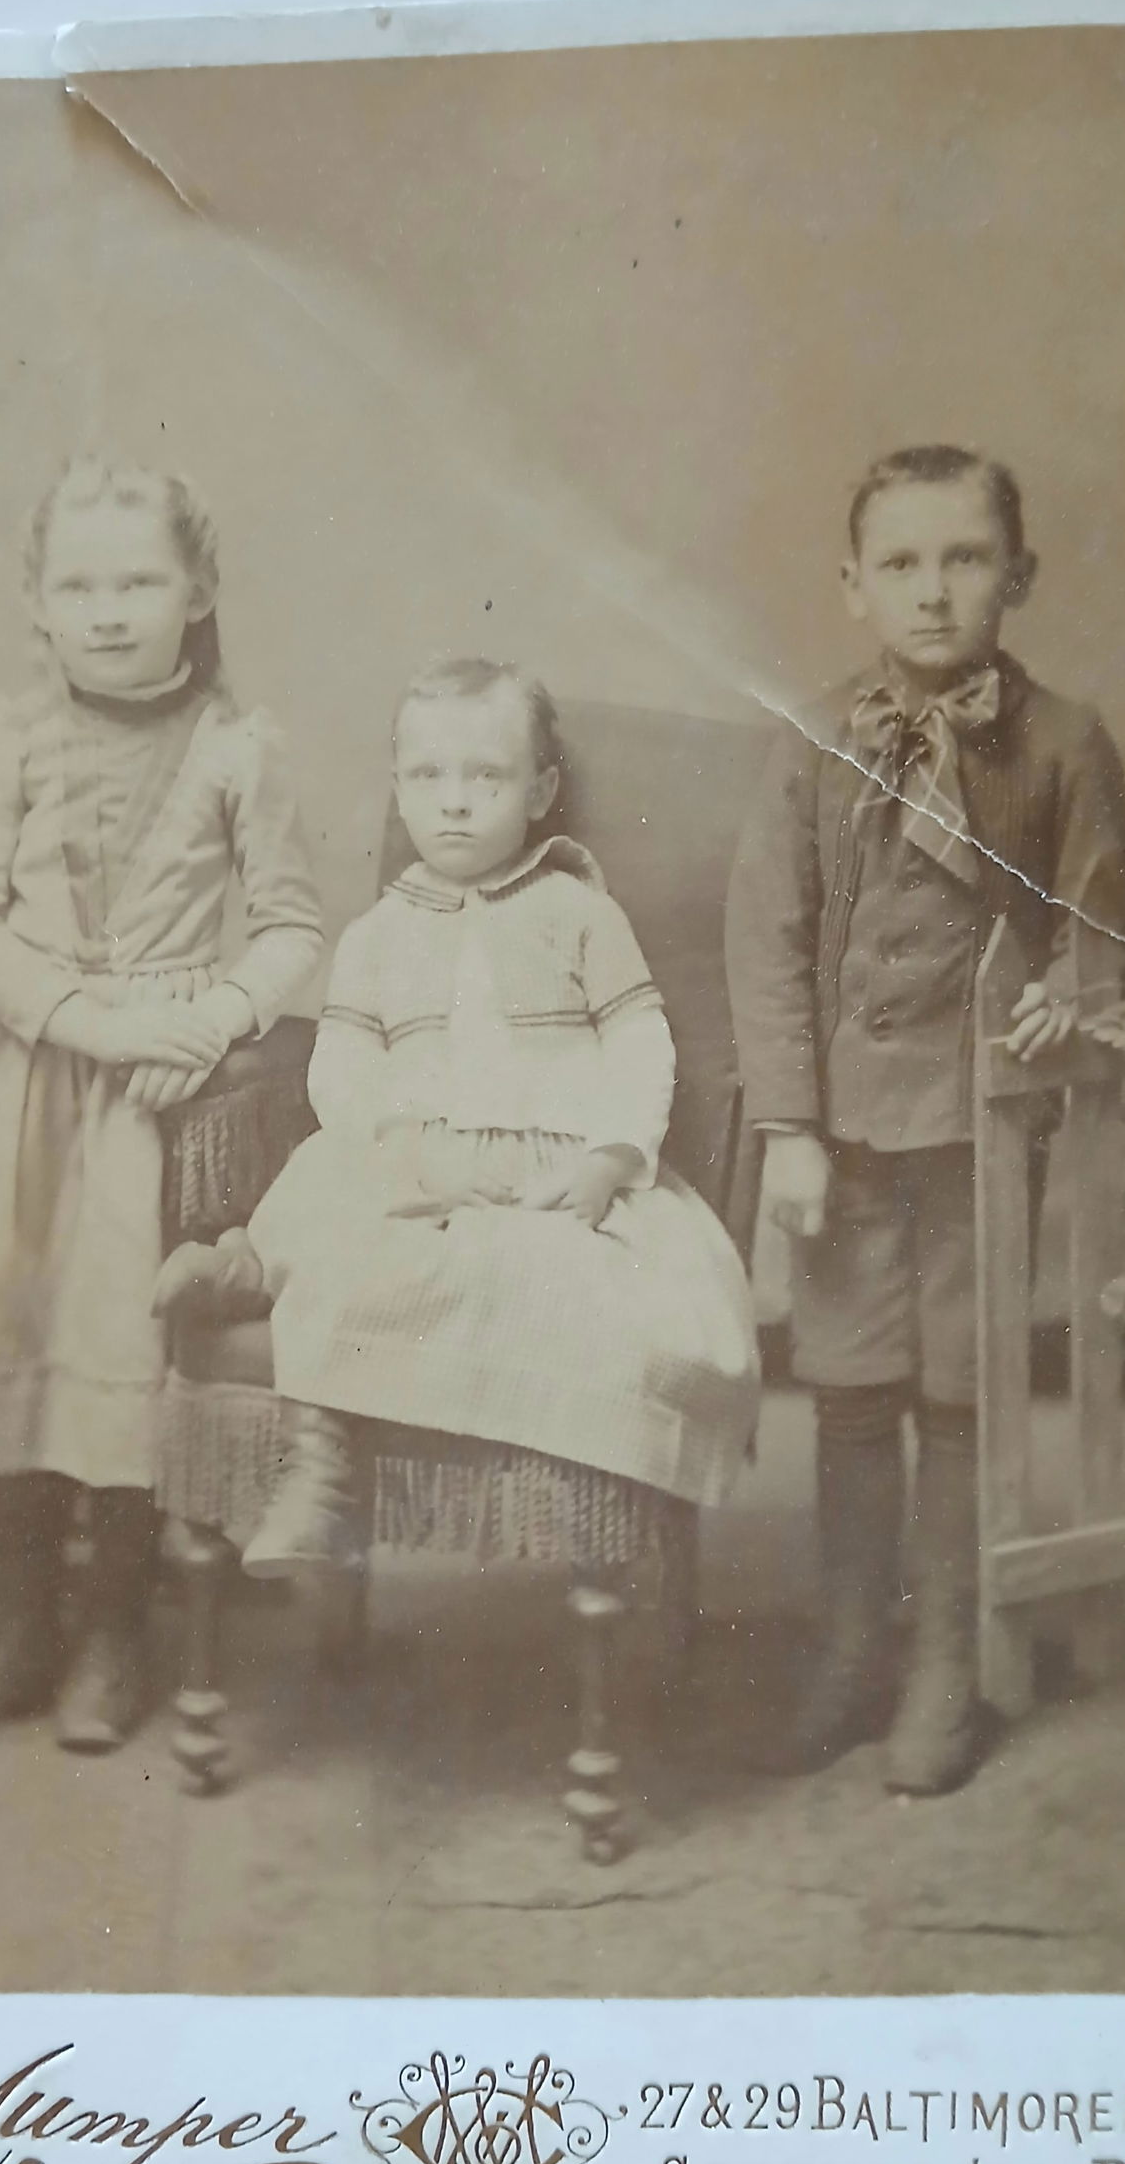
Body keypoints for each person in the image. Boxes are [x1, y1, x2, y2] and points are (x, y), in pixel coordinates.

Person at [0, 458, 324, 1752]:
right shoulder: (8, 731)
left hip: (146, 1094)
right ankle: (24, 1624)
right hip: (12, 1067)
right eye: (79, 583)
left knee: (119, 1352)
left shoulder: (243, 742)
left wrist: (218, 1017)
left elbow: (290, 924)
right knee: (15, 1330)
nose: (109, 608)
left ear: (199, 588)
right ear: (37, 599)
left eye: (139, 579)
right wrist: (81, 1016)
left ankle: (116, 1626)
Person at [725, 445, 1125, 1796]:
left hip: (981, 1134)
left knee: (959, 1390)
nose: (933, 590)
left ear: (1016, 574)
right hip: (846, 1136)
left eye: (965, 558)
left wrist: (1065, 1003)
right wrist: (790, 1123)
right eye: (900, 563)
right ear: (853, 586)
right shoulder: (811, 741)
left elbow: (1109, 927)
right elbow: (768, 940)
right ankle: (855, 1645)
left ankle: (945, 1665)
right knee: (848, 1386)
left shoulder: (1065, 739)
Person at [156, 657, 760, 1560]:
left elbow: (641, 1044)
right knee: (338, 1216)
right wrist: (381, 1142)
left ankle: (278, 1300)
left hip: (546, 1165)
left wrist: (611, 1157)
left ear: (541, 789)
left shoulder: (581, 913)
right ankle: (307, 1431)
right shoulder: (379, 936)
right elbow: (345, 1058)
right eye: (429, 776)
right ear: (399, 788)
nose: (456, 801)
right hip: (413, 1156)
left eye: (487, 776)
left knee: (543, 1273)